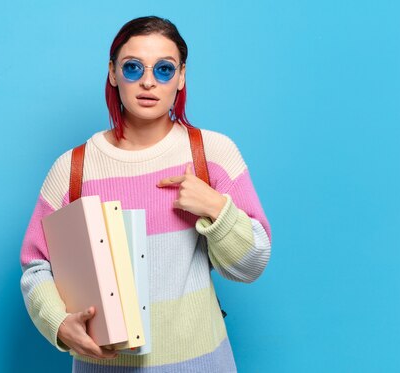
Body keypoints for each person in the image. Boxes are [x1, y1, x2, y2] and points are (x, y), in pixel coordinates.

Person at [19, 16, 272, 372]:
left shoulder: (212, 154)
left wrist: (216, 209)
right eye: (133, 68)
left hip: (201, 363)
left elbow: (252, 265)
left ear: (182, 76)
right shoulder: (73, 168)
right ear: (112, 73)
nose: (148, 82)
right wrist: (59, 324)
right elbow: (36, 267)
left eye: (164, 69)